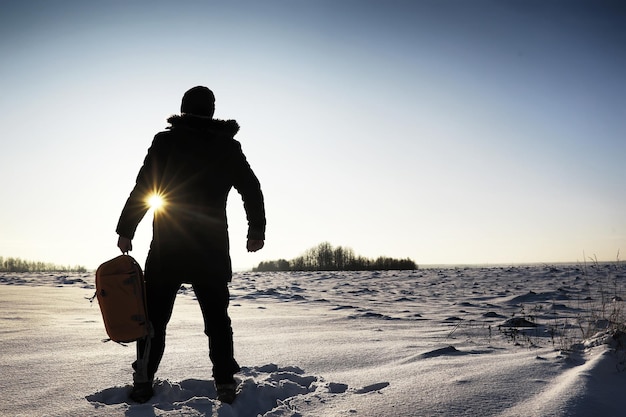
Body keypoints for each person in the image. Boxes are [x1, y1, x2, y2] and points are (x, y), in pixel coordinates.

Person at [115, 86, 266, 404]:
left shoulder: (165, 141)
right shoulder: (227, 146)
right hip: (210, 249)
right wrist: (256, 231)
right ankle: (224, 382)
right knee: (217, 320)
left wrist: (127, 229)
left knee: (154, 320)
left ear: (183, 109)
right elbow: (251, 189)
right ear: (212, 111)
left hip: (168, 245)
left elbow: (145, 186)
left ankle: (144, 378)